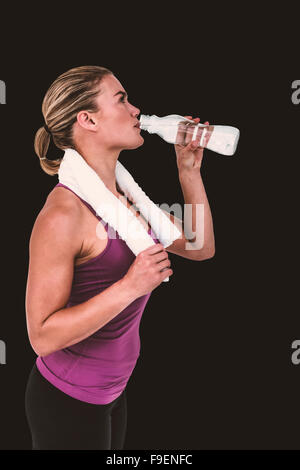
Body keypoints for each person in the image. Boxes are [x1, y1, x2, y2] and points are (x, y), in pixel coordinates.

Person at [25, 65, 215, 450]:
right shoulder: (64, 214)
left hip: (114, 392)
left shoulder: (126, 198)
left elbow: (199, 246)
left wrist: (188, 172)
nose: (136, 111)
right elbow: (42, 337)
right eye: (122, 99)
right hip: (66, 402)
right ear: (88, 119)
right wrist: (130, 286)